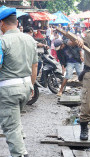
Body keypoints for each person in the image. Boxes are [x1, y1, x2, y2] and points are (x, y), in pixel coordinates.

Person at [0, 7, 38, 157]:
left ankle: (20, 154)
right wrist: (31, 85)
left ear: (2, 23)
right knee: (15, 121)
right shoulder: (30, 39)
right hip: (25, 87)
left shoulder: (2, 42)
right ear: (16, 22)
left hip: (9, 89)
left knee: (11, 126)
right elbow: (34, 66)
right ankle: (20, 141)